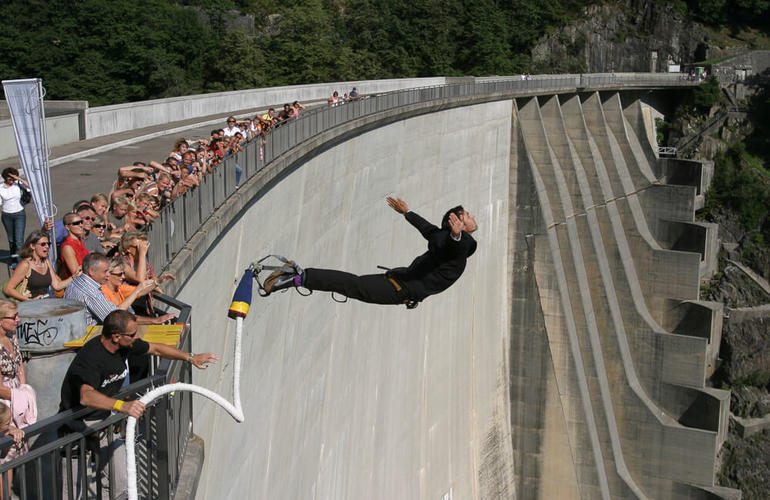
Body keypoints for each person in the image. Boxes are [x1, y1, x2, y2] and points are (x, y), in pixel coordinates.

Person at [58, 309, 218, 499]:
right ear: (116, 336)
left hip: (104, 421)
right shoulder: (91, 357)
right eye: (133, 334)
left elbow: (156, 348)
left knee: (120, 483)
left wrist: (190, 357)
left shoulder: (126, 345)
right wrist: (122, 406)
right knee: (74, 488)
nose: (137, 337)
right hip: (77, 426)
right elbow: (87, 397)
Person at [264, 197, 478, 306]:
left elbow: (429, 230)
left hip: (400, 281)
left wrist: (407, 212)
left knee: (353, 286)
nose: (472, 217)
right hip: (401, 287)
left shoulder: (452, 244)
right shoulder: (459, 243)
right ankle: (297, 277)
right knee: (353, 286)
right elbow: (452, 246)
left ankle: (299, 277)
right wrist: (456, 237)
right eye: (468, 215)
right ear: (457, 223)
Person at [65, 253, 175, 326]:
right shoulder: (92, 292)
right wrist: (154, 321)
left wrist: (157, 282)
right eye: (105, 271)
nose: (107, 275)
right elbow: (114, 317)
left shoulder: (76, 282)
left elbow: (140, 291)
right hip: (88, 343)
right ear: (91, 272)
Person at [0, 300, 35, 474]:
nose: (18, 320)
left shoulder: (12, 337)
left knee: (20, 448)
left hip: (16, 399)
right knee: (7, 455)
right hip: (4, 404)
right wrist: (20, 397)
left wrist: (24, 390)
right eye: (13, 317)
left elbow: (20, 366)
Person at [4, 231, 74, 301]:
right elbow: (8, 289)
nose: (47, 247)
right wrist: (29, 300)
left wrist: (74, 277)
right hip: (29, 307)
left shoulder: (46, 262)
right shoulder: (25, 264)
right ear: (32, 246)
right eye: (43, 244)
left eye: (48, 244)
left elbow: (57, 286)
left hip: (44, 304)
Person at [0, 168, 30, 259]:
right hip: (7, 215)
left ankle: (20, 262)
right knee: (11, 240)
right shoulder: (1, 188)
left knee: (19, 240)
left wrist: (18, 178)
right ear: (5, 177)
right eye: (10, 178)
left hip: (19, 214)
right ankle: (14, 258)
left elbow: (29, 186)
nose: (12, 180)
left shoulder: (18, 184)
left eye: (13, 178)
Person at [59, 212, 89, 280]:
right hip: (78, 285)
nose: (81, 225)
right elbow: (76, 273)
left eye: (81, 222)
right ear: (67, 227)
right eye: (76, 223)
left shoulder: (79, 241)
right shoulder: (67, 247)